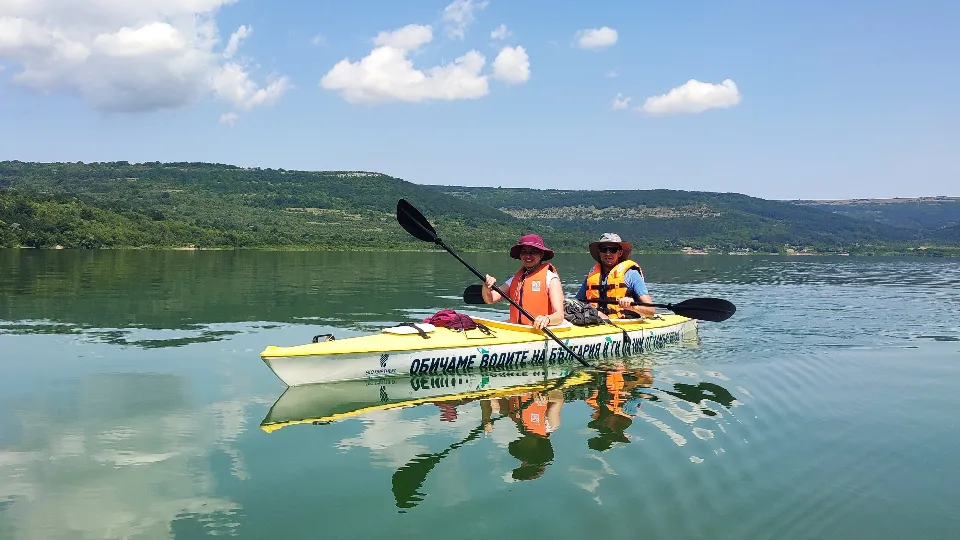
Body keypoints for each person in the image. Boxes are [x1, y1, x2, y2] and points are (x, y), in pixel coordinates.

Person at [481, 233, 565, 329]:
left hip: (539, 330)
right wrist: (486, 287)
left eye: (533, 252)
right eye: (524, 252)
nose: (528, 256)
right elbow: (490, 299)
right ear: (520, 255)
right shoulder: (514, 280)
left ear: (541, 254)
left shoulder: (551, 279)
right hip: (517, 329)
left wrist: (547, 319)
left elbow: (559, 315)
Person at [575, 233, 655, 319]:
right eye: (604, 249)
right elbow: (576, 303)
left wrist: (634, 306)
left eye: (613, 249)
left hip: (624, 322)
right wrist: (592, 312)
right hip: (596, 321)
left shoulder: (632, 275)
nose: (608, 253)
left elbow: (651, 311)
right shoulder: (591, 276)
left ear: (620, 253)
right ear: (599, 252)